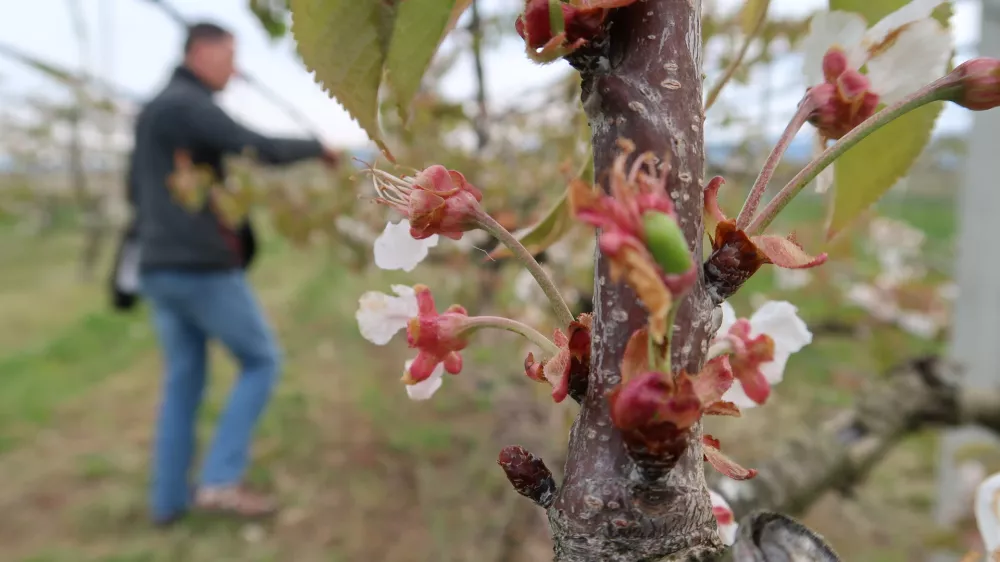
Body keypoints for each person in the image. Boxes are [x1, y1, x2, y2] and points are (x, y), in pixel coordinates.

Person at [128, 21, 339, 526]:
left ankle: (167, 502)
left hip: (157, 265)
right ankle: (220, 482)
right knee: (261, 361)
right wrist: (318, 149)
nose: (236, 68)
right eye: (228, 55)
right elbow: (251, 144)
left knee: (184, 381)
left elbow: (133, 191)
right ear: (199, 52)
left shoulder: (157, 111)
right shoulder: (184, 104)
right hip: (197, 265)